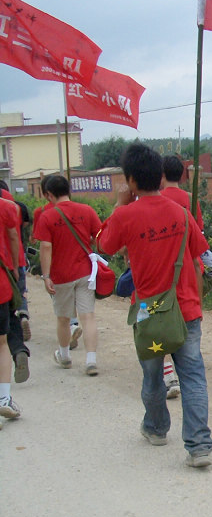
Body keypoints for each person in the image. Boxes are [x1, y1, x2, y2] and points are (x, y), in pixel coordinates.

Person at [98, 143, 212, 468]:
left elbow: (103, 245)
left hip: (150, 313)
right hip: (187, 309)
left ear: (131, 180)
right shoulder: (181, 214)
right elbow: (196, 259)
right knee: (193, 377)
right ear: (161, 177)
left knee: (153, 377)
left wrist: (119, 204)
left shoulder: (124, 215)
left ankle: (157, 428)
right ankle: (200, 446)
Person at [35, 175, 102, 376]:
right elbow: (99, 237)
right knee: (88, 316)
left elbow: (46, 247)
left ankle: (64, 356)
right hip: (85, 273)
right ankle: (91, 360)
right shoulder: (87, 211)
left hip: (61, 275)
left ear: (48, 195)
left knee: (64, 318)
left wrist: (46, 276)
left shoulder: (47, 216)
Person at [160, 154, 204, 399]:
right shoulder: (190, 199)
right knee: (188, 316)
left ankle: (168, 370)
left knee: (162, 319)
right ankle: (186, 362)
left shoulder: (156, 200)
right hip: (191, 265)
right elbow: (199, 232)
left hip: (163, 268)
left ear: (162, 175)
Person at [0, 180, 32, 382]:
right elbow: (15, 235)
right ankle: (19, 348)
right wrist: (13, 266)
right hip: (8, 265)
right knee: (10, 312)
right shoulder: (9, 204)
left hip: (8, 265)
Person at [0, 193, 22, 420]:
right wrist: (15, 266)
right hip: (0, 283)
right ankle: (4, 397)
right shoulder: (5, 206)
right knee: (1, 342)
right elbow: (14, 236)